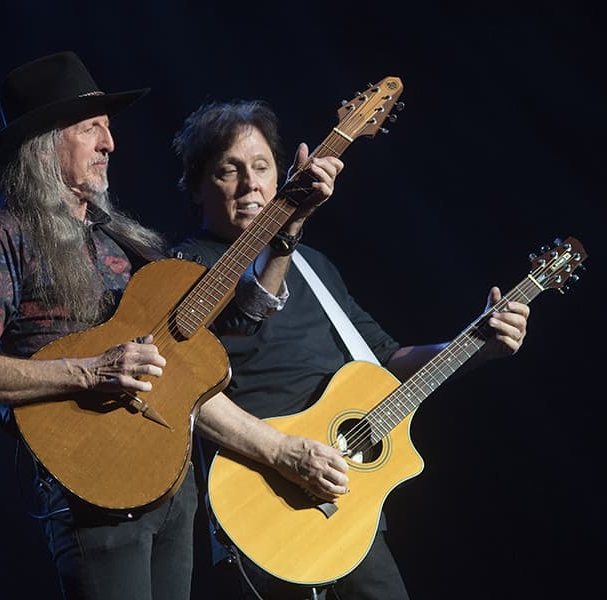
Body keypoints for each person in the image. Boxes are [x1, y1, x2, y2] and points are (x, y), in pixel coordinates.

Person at [0, 53, 342, 600]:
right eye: (91, 129)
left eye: (108, 128)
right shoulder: (6, 232)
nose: (110, 144)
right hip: (90, 487)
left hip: (171, 487)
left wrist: (285, 232)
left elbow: (224, 329)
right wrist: (90, 372)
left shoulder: (122, 239)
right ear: (46, 144)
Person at [171, 100, 531, 599]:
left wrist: (477, 345)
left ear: (281, 177)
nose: (251, 185)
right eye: (228, 171)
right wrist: (284, 454)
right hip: (265, 500)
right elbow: (184, 382)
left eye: (261, 168)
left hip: (343, 502)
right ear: (195, 186)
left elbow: (384, 361)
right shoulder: (185, 271)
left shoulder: (315, 265)